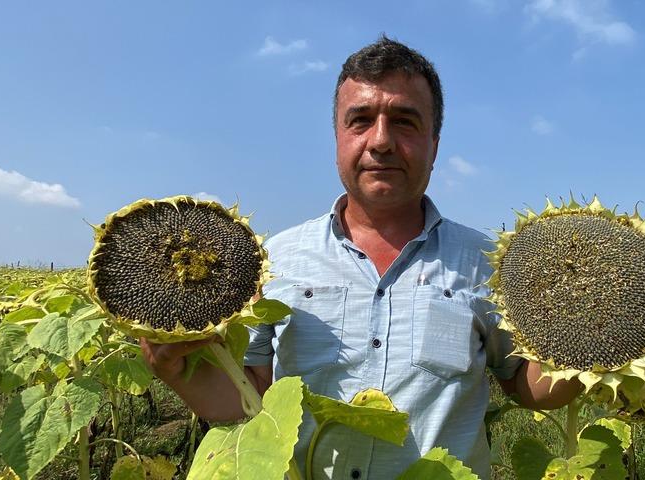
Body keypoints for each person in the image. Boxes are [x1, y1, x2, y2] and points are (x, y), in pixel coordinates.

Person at [141, 36, 581, 479]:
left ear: (435, 141)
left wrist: (599, 351)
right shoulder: (272, 260)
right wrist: (180, 373)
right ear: (338, 136)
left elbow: (524, 382)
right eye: (361, 120)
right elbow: (250, 395)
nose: (382, 141)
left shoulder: (490, 262)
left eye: (405, 122)